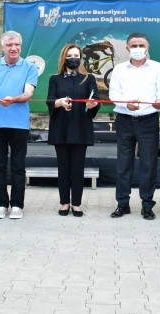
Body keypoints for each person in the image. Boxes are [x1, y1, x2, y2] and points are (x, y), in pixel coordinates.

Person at [108, 33, 160, 220]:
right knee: (123, 163)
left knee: (148, 164)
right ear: (127, 48)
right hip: (125, 120)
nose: (137, 48)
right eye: (133, 45)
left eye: (141, 45)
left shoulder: (158, 68)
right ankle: (122, 204)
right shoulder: (119, 69)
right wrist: (125, 103)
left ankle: (147, 205)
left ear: (147, 47)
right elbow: (114, 93)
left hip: (148, 120)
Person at [0, 30, 38, 220]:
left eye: (17, 45)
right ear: (3, 47)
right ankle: (1, 204)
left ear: (20, 46)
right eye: (9, 45)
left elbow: (28, 93)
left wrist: (13, 99)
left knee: (18, 165)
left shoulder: (30, 67)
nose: (13, 48)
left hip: (19, 124)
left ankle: (17, 205)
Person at [46, 44, 100, 217]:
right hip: (60, 129)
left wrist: (93, 105)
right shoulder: (55, 78)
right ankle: (64, 203)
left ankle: (76, 203)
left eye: (76, 55)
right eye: (70, 55)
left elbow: (95, 102)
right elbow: (49, 101)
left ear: (81, 57)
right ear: (64, 57)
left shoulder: (89, 78)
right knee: (63, 168)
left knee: (77, 169)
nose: (73, 58)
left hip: (81, 129)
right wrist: (59, 102)